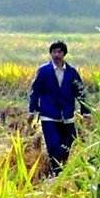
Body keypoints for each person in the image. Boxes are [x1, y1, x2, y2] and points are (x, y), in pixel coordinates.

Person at [28, 40, 91, 175]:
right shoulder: (44, 71)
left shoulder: (72, 72)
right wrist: (32, 110)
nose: (57, 55)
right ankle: (56, 173)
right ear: (50, 54)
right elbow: (35, 91)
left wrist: (86, 111)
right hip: (49, 115)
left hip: (67, 116)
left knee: (68, 145)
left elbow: (80, 92)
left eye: (60, 52)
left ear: (64, 54)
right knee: (53, 145)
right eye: (54, 52)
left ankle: (59, 169)